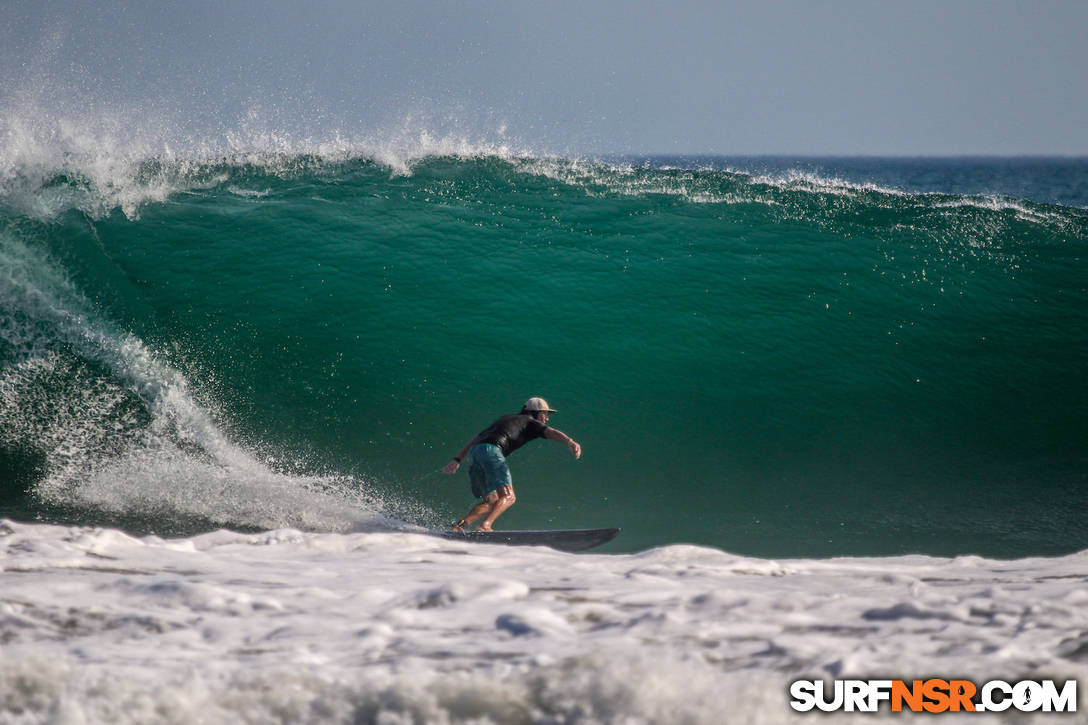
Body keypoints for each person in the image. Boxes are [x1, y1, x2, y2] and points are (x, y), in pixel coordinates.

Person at [442, 397, 582, 531]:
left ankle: (459, 526)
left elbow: (477, 438)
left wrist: (457, 460)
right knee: (509, 497)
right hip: (492, 451)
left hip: (474, 453)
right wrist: (570, 441)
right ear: (536, 413)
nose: (547, 418)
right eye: (545, 413)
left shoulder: (504, 419)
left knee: (492, 500)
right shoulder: (531, 422)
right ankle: (485, 525)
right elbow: (551, 432)